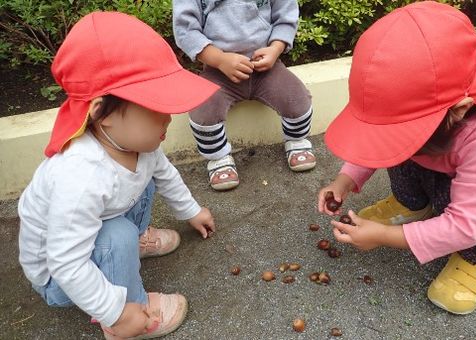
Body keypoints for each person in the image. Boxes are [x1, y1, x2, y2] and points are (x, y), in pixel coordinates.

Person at [17, 11, 219, 339]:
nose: (168, 118)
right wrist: (115, 309)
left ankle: (127, 249)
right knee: (117, 235)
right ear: (100, 112)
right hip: (58, 277)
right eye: (155, 106)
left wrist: (191, 211)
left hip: (86, 237)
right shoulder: (80, 175)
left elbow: (165, 175)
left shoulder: (136, 143)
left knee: (144, 183)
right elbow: (66, 262)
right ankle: (129, 316)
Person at [318, 1, 476, 315]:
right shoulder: (436, 113)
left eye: (403, 129)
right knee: (400, 152)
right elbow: (375, 141)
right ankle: (413, 203)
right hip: (442, 158)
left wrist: (383, 236)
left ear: (459, 110)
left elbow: (468, 223)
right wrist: (345, 179)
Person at [173, 0, 316, 191]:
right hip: (218, 71)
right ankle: (217, 157)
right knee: (203, 111)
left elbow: (285, 15)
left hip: (266, 67)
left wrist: (275, 48)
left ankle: (297, 139)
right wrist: (220, 59)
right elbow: (186, 30)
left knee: (297, 100)